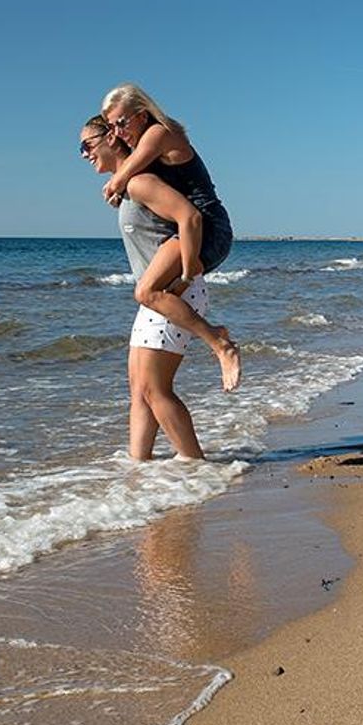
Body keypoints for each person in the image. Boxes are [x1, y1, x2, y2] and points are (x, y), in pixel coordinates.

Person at [79, 114, 239, 463]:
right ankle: (139, 470)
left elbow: (189, 219)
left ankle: (196, 466)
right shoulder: (128, 187)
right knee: (139, 391)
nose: (84, 154)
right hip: (157, 297)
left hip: (173, 292)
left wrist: (184, 276)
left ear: (111, 138)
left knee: (155, 389)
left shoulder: (141, 183)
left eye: (87, 145)